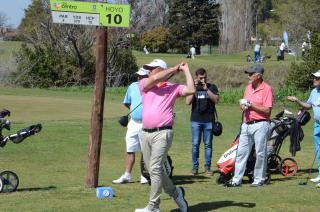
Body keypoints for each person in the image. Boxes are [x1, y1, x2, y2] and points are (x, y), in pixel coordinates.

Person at [135, 59, 195, 212]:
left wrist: (186, 70)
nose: (149, 71)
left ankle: (153, 207)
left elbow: (191, 90)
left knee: (154, 168)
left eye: (152, 68)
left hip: (163, 133)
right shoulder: (144, 85)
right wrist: (175, 68)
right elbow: (155, 79)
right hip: (145, 133)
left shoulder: (173, 88)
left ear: (161, 69)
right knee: (155, 170)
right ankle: (177, 193)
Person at [225, 64, 273, 187]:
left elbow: (267, 110)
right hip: (246, 124)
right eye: (248, 73)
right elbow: (245, 104)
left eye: (251, 74)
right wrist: (243, 105)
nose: (248, 76)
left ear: (259, 76)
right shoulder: (248, 88)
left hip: (261, 124)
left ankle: (259, 179)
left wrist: (251, 105)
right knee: (241, 152)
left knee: (260, 153)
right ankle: (236, 180)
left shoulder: (267, 89)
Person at [112, 68, 149, 185]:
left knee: (145, 150)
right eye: (138, 75)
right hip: (133, 123)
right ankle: (127, 175)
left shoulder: (152, 87)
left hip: (147, 123)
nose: (139, 78)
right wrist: (134, 111)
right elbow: (126, 102)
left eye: (142, 76)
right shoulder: (133, 86)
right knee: (130, 149)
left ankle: (144, 175)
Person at [288, 70, 320, 188]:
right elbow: (308, 105)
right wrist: (297, 100)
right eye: (314, 78)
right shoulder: (314, 91)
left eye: (316, 78)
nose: (314, 80)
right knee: (318, 151)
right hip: (317, 124)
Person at [186, 68, 219, 176]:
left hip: (209, 120)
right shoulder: (193, 88)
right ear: (196, 77)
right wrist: (194, 88)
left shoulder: (212, 87)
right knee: (195, 144)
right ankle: (195, 167)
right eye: (201, 78)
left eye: (205, 77)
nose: (203, 79)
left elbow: (216, 100)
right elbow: (187, 102)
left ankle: (207, 167)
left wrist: (206, 89)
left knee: (208, 145)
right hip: (196, 120)